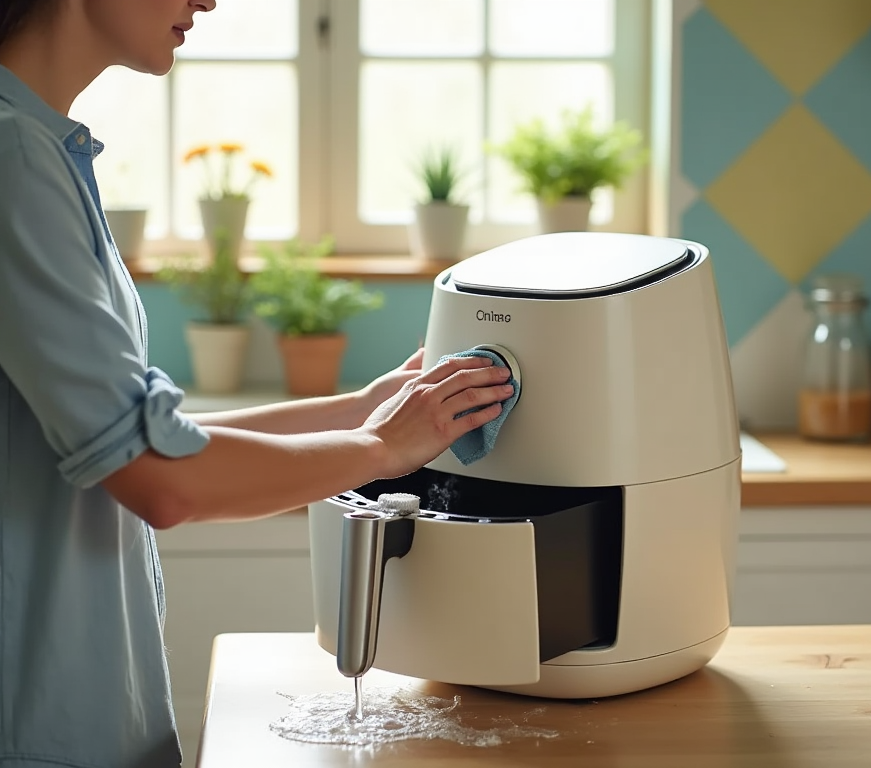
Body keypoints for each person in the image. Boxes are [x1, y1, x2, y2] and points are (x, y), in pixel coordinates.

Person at [0, 1, 514, 765]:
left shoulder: (41, 146)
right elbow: (163, 481)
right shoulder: (14, 157)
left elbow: (153, 437)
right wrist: (377, 445)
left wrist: (363, 407)